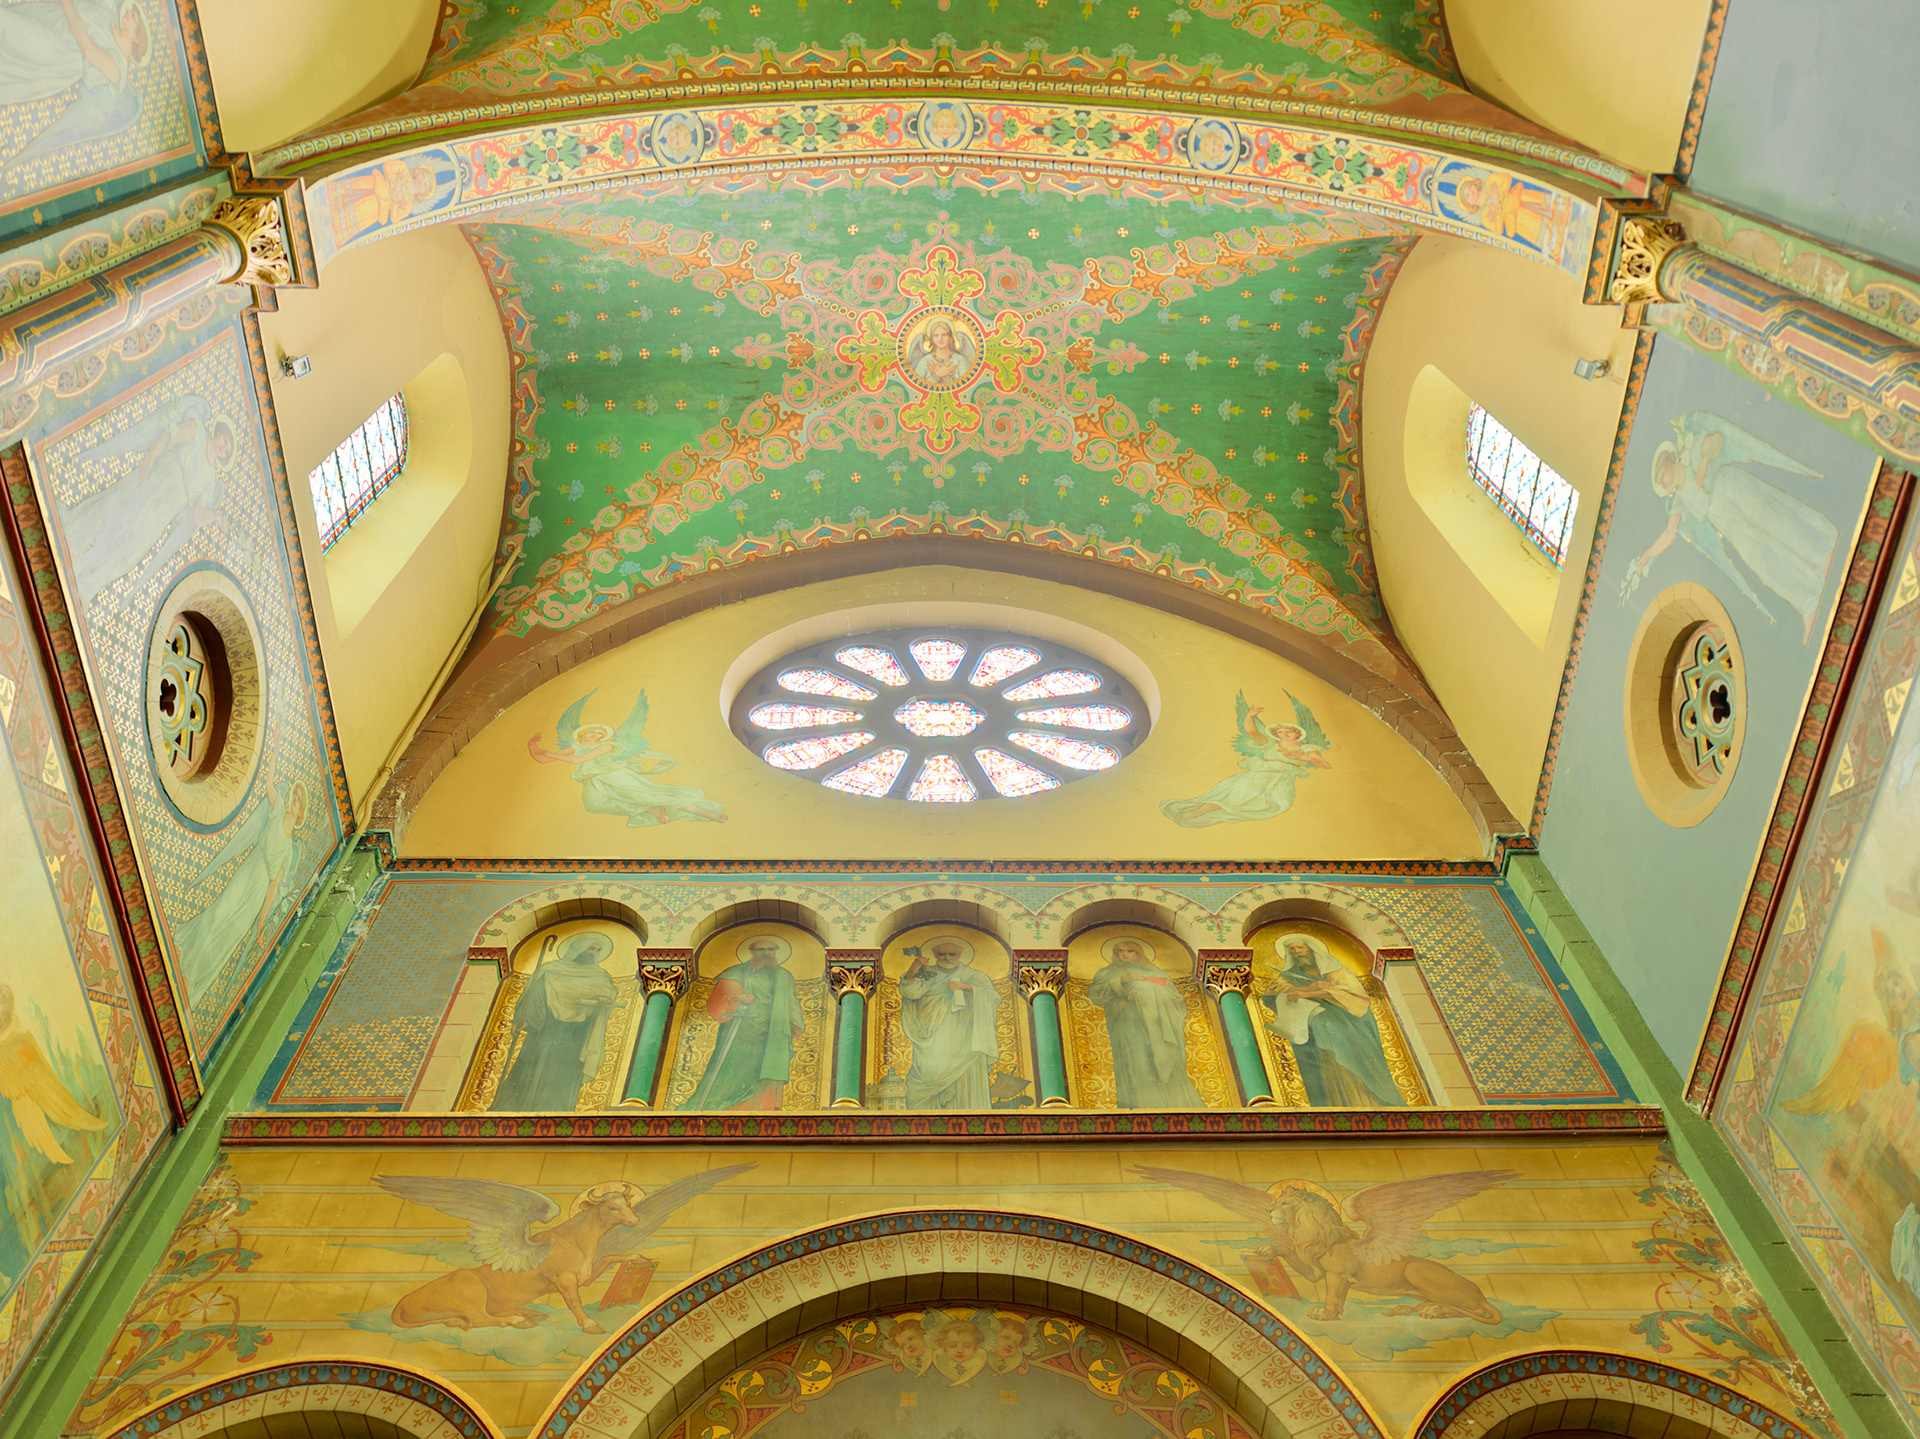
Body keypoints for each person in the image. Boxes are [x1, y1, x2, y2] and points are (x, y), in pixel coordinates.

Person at [1622, 411, 1836, 642]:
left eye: (1660, 474)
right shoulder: (1679, 501)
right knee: (1760, 558)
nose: (1662, 481)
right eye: (1659, 482)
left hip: (1734, 489)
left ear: (1669, 461)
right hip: (1725, 520)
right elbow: (1669, 532)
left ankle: (1821, 552)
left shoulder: (1692, 451)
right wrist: (1646, 556)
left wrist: (1704, 461)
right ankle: (1807, 599)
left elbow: (1718, 440)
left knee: (1776, 522)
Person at [173, 772, 306, 1008]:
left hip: (259, 890)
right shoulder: (277, 811)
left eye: (298, 800)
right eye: (294, 795)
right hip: (250, 869)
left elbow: (274, 886)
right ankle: (183, 948)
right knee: (219, 913)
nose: (294, 800)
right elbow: (268, 783)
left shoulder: (288, 850)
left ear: (300, 813)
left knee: (228, 938)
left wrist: (261, 923)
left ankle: (192, 981)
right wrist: (274, 751)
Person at [1259, 933, 1404, 1108]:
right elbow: (1273, 993)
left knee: (1351, 1058)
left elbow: (1355, 994)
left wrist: (1310, 993)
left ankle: (1372, 1101)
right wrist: (1306, 989)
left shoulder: (1336, 970)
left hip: (1349, 1026)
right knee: (1329, 1062)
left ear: (1312, 950)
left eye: (1300, 948)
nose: (1297, 952)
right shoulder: (1289, 975)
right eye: (1292, 950)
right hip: (1315, 1032)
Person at [491, 932, 619, 1111]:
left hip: (577, 1034)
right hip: (546, 1029)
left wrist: (604, 1000)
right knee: (534, 1067)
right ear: (578, 949)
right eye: (591, 948)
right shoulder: (550, 970)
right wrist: (526, 1019)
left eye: (597, 950)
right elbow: (536, 994)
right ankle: (516, 1108)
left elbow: (608, 996)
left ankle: (560, 1112)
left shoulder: (601, 976)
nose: (593, 953)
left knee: (565, 1072)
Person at [680, 934, 803, 1110]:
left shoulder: (784, 976)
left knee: (768, 1073)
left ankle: (763, 1111)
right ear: (752, 952)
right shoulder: (736, 973)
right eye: (761, 950)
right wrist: (737, 998)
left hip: (773, 1034)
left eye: (770, 950)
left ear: (776, 952)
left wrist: (795, 1024)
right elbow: (718, 999)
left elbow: (791, 1001)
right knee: (731, 1072)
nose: (765, 954)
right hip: (740, 1034)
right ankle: (716, 1108)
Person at [1086, 936, 1203, 1108]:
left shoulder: (1155, 972)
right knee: (1136, 1061)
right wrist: (1122, 980)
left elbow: (1175, 998)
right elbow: (1095, 994)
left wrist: (1146, 991)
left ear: (1139, 953)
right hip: (1127, 1025)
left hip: (1159, 1027)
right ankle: (1140, 1105)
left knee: (1162, 1061)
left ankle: (1173, 1105)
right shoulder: (1106, 972)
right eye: (1120, 951)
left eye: (1130, 951)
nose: (1125, 954)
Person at [899, 936, 1001, 1109]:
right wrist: (913, 970)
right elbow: (911, 993)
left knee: (963, 1077)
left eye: (952, 954)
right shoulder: (925, 974)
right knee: (928, 1073)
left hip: (965, 1038)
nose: (947, 958)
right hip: (932, 1035)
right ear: (934, 954)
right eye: (942, 954)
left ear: (960, 955)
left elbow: (993, 998)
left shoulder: (974, 976)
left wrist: (968, 988)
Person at [910, 319, 968, 387]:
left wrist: (945, 377)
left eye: (944, 335)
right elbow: (917, 387)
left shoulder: (960, 360)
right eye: (936, 335)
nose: (940, 339)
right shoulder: (925, 361)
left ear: (950, 337)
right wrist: (937, 375)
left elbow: (966, 387)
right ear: (932, 339)